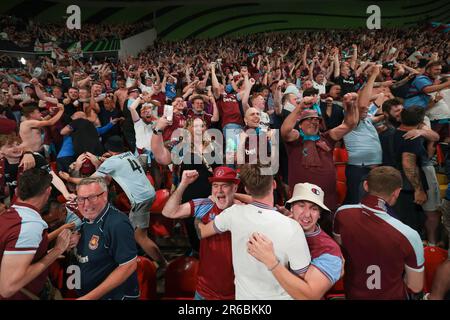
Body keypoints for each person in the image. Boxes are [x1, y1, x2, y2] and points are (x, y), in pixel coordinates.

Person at [196, 164, 311, 300]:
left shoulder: (233, 214)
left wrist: (197, 218)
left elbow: (202, 232)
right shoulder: (292, 226)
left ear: (246, 189)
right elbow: (303, 278)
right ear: (273, 184)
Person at [60, 136, 167, 268]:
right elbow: (116, 163)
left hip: (140, 199)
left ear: (110, 151)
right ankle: (140, 257)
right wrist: (101, 159)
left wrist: (68, 178)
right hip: (148, 194)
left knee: (140, 236)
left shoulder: (111, 162)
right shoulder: (129, 155)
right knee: (132, 231)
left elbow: (88, 181)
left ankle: (163, 264)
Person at [333, 166, 425, 299]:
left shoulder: (342, 213)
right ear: (397, 192)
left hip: (352, 294)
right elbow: (415, 286)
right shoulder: (409, 235)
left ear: (365, 185)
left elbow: (339, 249)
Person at [247, 182, 344, 299]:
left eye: (314, 209)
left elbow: (309, 297)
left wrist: (271, 262)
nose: (307, 214)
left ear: (319, 214)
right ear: (291, 208)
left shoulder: (329, 250)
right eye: (301, 206)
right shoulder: (278, 222)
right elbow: (257, 202)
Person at [162, 167, 239, 300]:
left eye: (225, 185)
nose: (219, 190)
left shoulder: (243, 210)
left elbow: (265, 206)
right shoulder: (205, 205)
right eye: (215, 185)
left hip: (236, 293)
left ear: (235, 188)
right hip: (204, 292)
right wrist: (183, 184)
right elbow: (168, 212)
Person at [0, 168, 71, 299]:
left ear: (16, 191)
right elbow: (8, 288)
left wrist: (45, 253)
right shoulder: (29, 225)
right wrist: (57, 250)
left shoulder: (11, 216)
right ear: (48, 191)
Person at [281, 93, 358, 212]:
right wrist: (300, 107)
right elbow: (285, 130)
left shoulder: (327, 138)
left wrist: (351, 105)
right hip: (301, 203)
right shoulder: (296, 139)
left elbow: (350, 124)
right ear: (300, 125)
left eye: (316, 119)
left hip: (327, 202)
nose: (314, 122)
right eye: (309, 119)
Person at [69, 177, 139, 300]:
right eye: (81, 199)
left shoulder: (117, 224)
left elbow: (128, 266)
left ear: (105, 195)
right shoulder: (86, 219)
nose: (86, 204)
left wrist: (88, 298)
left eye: (92, 197)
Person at [343, 65, 382, 204]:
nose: (365, 108)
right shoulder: (351, 120)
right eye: (361, 108)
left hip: (371, 171)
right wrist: (373, 76)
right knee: (358, 204)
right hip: (360, 170)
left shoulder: (368, 119)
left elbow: (374, 103)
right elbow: (362, 105)